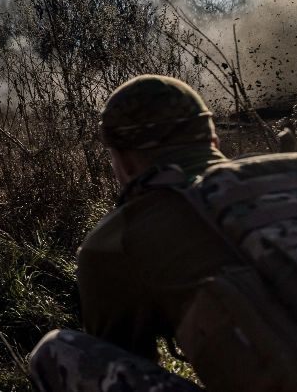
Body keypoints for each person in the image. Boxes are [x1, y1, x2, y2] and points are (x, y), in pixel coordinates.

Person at [30, 74, 243, 391]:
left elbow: (125, 357)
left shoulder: (116, 242)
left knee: (54, 353)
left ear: (125, 162)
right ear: (214, 142)